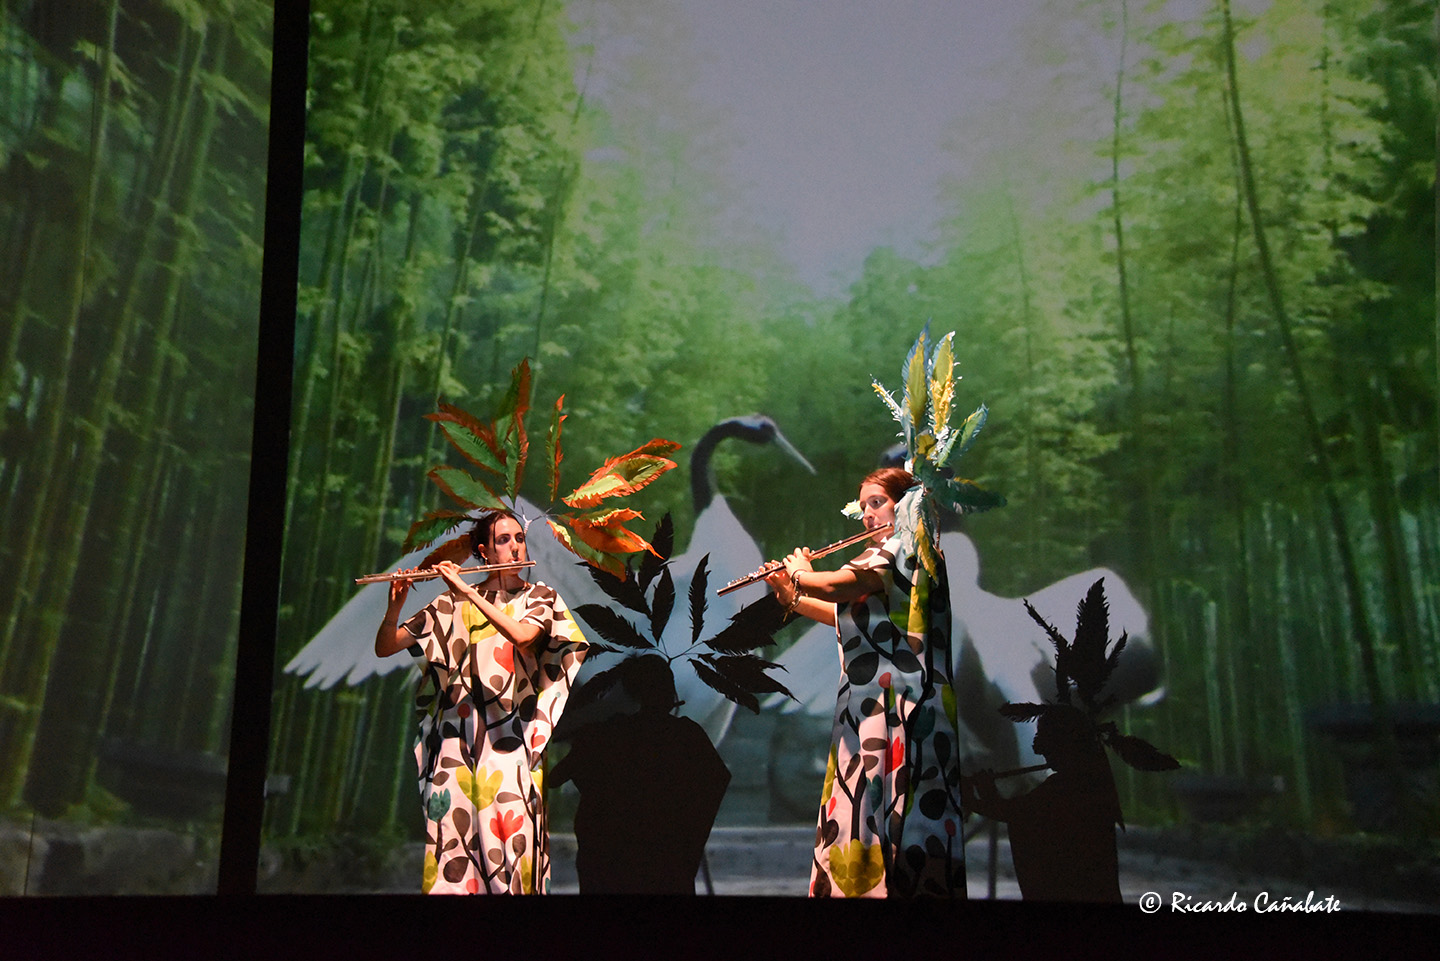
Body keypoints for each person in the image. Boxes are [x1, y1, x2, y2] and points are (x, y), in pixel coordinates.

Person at [766, 467, 966, 898]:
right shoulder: (897, 555)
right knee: (862, 814)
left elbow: (840, 585)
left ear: (906, 506)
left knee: (894, 818)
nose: (868, 514)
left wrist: (801, 572)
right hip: (872, 704)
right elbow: (851, 616)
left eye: (877, 503)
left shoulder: (904, 548)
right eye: (864, 507)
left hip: (897, 708)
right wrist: (792, 598)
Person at [375, 510, 588, 894]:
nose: (515, 547)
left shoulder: (539, 597)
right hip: (457, 743)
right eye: (503, 540)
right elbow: (386, 646)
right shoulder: (450, 604)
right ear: (484, 551)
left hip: (512, 742)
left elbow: (523, 636)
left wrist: (469, 592)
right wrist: (395, 606)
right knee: (455, 848)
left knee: (510, 849)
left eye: (519, 538)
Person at [550, 655, 731, 894]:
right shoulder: (687, 735)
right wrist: (691, 832)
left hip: (606, 861)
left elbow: (557, 776)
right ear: (668, 692)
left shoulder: (605, 734)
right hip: (665, 862)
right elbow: (717, 779)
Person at [960, 704, 1125, 902]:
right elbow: (1018, 812)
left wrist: (979, 796)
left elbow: (1019, 813)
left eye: (1047, 739)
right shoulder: (1090, 782)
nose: (1040, 749)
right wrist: (987, 795)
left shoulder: (1069, 786)